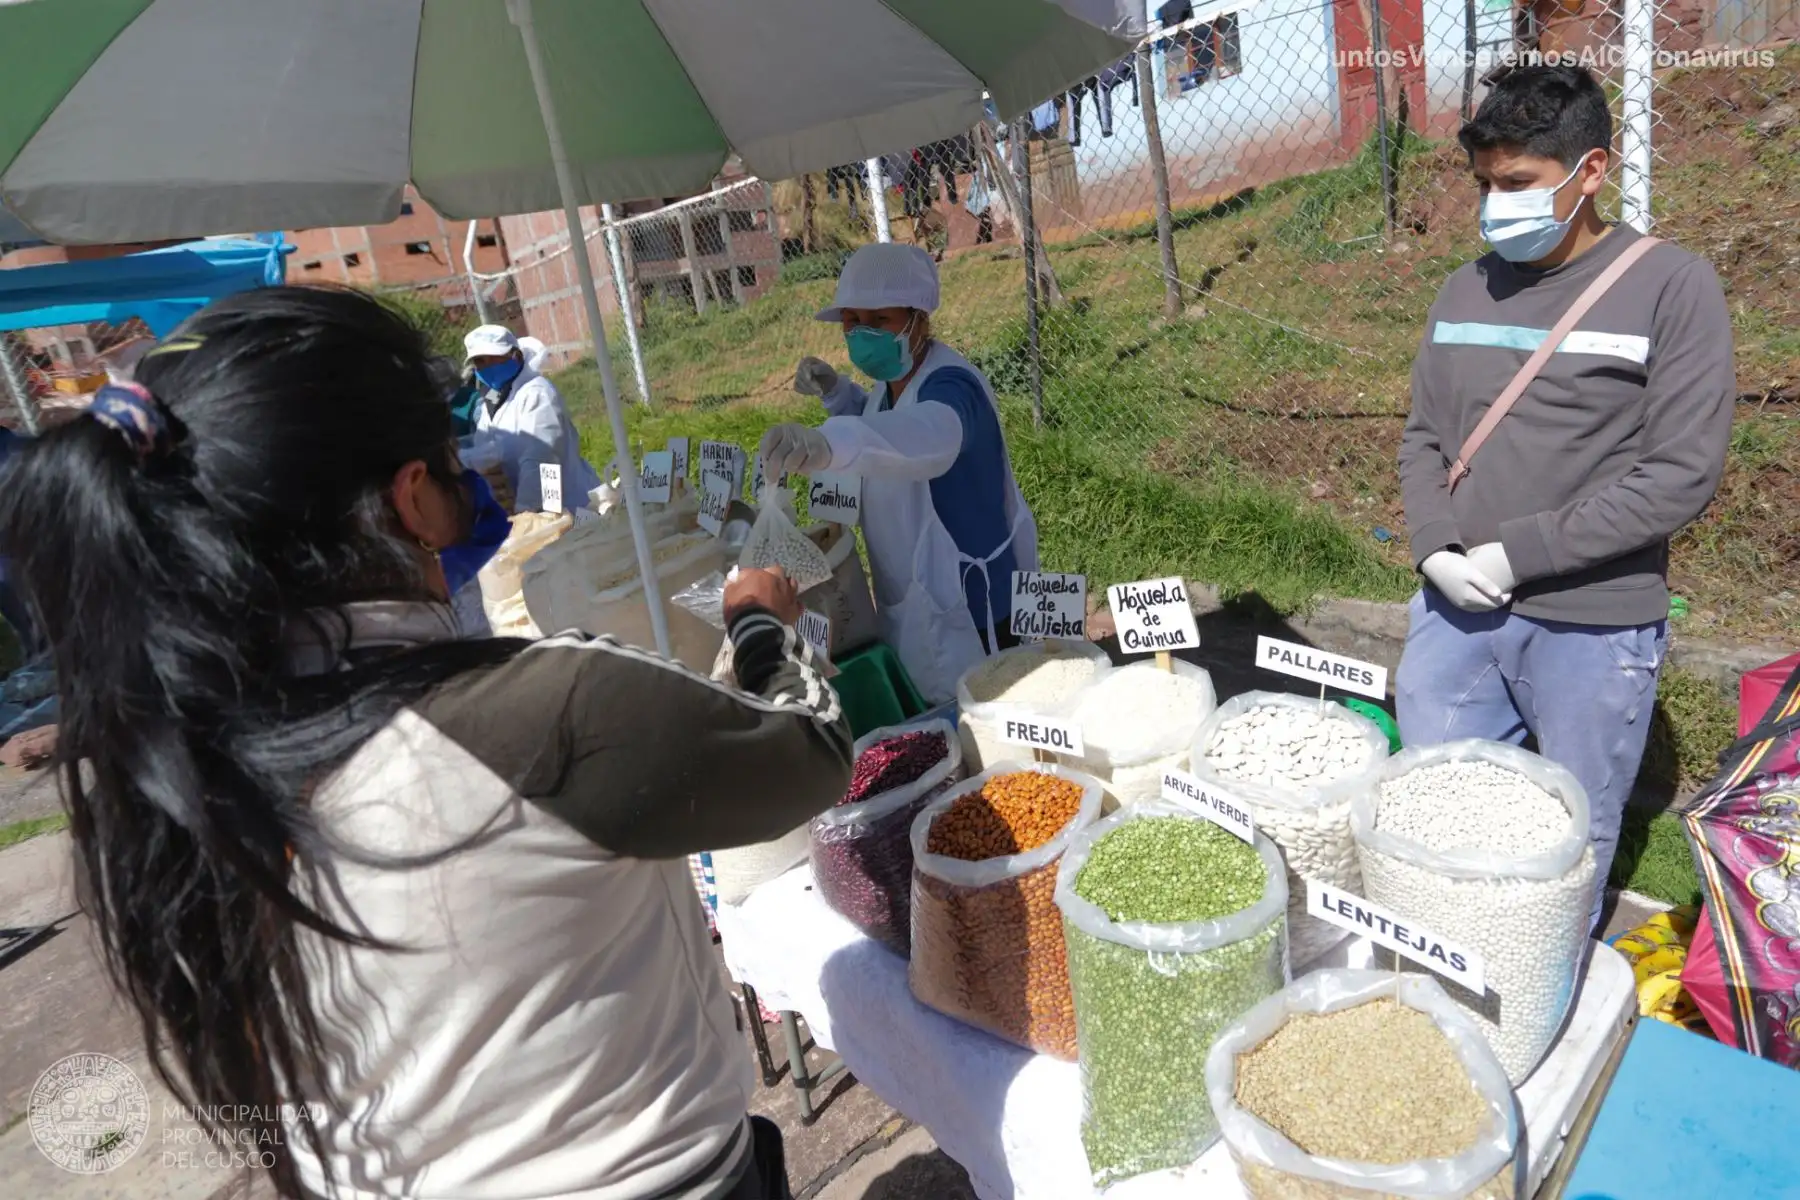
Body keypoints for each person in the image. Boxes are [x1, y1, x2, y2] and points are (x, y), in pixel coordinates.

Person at [0, 287, 851, 1200]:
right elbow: (807, 755)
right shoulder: (547, 709)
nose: (472, 490)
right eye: (454, 469)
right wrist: (759, 624)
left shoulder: (172, 755)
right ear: (413, 498)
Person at [1396, 64, 1735, 928]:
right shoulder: (1464, 288)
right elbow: (1425, 437)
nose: (1493, 204)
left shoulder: (1671, 286)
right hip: (1455, 612)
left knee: (1564, 845)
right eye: (1484, 185)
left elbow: (1680, 472)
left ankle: (1541, 995)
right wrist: (1435, 545)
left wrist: (1521, 553)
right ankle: (1449, 969)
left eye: (1518, 184)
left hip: (1594, 621)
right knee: (1439, 818)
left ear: (1591, 171)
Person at [758, 243, 1038, 703]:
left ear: (918, 320)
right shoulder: (890, 385)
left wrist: (829, 443)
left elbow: (924, 435)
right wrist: (837, 395)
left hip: (977, 607)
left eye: (879, 320)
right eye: (852, 321)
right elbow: (880, 418)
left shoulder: (952, 385)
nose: (862, 333)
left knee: (994, 714)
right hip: (917, 598)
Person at [464, 323, 600, 513]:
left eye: (494, 359)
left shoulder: (537, 394)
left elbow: (543, 459)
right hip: (531, 514)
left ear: (515, 356)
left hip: (570, 509)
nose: (487, 367)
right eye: (480, 362)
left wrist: (529, 512)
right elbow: (488, 449)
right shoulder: (494, 399)